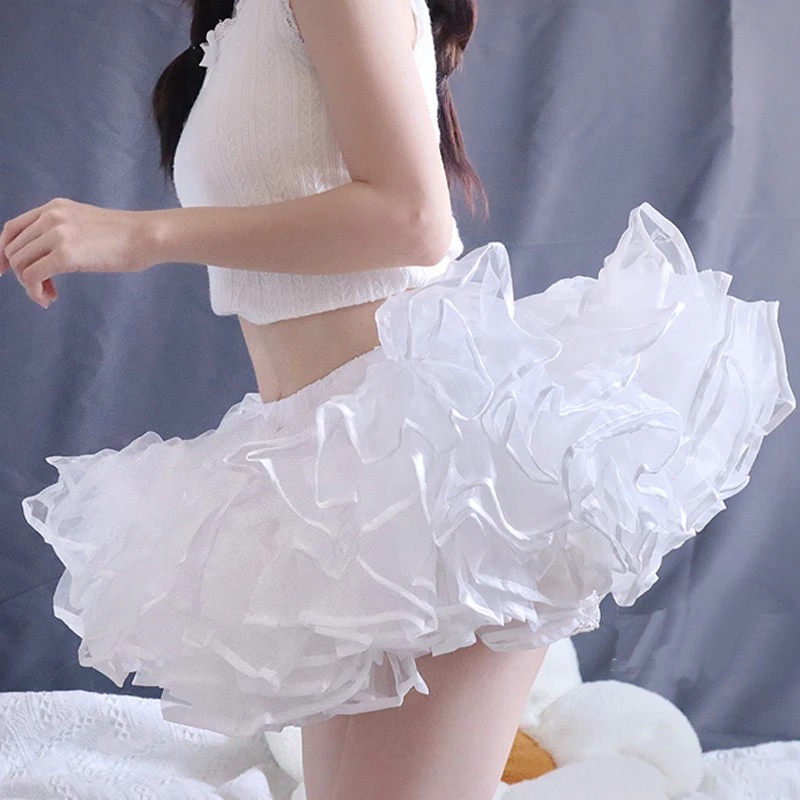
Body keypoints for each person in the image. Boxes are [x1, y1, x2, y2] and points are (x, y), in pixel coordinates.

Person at [2, 1, 795, 798]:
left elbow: (412, 217)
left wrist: (141, 236)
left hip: (436, 475)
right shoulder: (246, 19)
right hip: (332, 485)